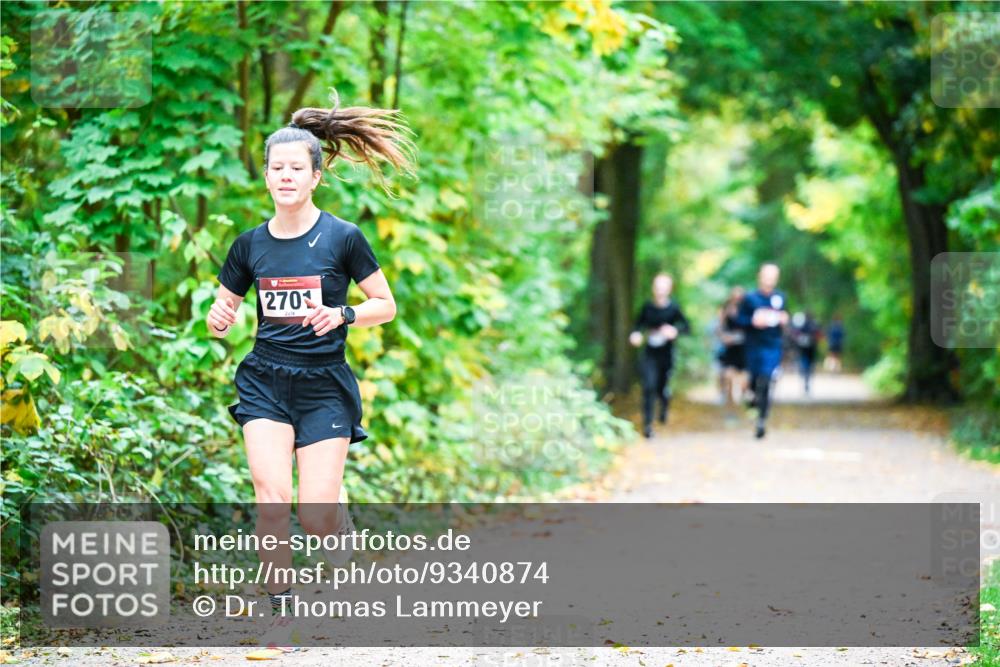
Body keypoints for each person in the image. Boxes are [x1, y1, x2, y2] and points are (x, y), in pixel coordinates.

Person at [207, 89, 414, 652]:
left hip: (324, 386)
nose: (286, 176)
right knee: (271, 498)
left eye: (296, 168)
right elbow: (221, 309)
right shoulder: (249, 245)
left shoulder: (343, 237)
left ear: (316, 176)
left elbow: (385, 305)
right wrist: (218, 316)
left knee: (315, 514)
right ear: (266, 176)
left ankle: (337, 523)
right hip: (265, 382)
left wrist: (343, 313)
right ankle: (282, 616)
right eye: (277, 168)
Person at [629, 273, 690, 439]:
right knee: (648, 386)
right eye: (657, 287)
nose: (660, 290)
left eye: (663, 287)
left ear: (669, 289)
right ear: (653, 288)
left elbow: (686, 327)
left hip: (666, 354)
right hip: (650, 353)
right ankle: (647, 425)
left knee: (661, 387)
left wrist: (674, 330)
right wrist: (636, 334)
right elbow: (638, 325)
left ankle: (664, 404)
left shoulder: (674, 308)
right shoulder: (647, 307)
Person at [736, 263, 788, 439]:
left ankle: (761, 421)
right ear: (760, 276)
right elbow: (739, 320)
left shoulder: (780, 297)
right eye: (767, 275)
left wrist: (784, 319)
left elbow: (785, 318)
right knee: (753, 380)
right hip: (753, 346)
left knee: (766, 380)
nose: (769, 279)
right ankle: (751, 399)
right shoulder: (750, 298)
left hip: (772, 346)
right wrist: (752, 321)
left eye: (773, 276)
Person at [716, 287, 748, 406]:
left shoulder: (747, 310)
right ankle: (729, 402)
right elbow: (719, 327)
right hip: (729, 348)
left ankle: (742, 400)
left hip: (744, 348)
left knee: (744, 379)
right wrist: (724, 337)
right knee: (728, 375)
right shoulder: (725, 309)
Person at [789, 311, 820, 395]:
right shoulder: (814, 324)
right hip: (810, 349)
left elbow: (795, 335)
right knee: (808, 365)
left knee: (804, 364)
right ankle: (806, 378)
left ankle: (805, 376)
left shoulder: (801, 324)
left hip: (804, 349)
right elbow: (817, 335)